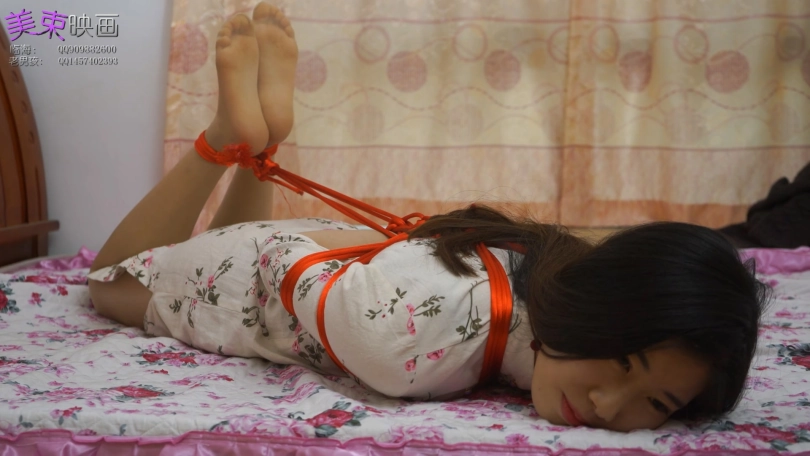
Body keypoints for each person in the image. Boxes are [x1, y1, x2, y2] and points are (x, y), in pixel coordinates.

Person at [87, 2, 770, 433]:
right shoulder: (409, 355)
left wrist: (355, 258)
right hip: (264, 273)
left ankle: (257, 149)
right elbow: (284, 266)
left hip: (315, 257)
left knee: (219, 250)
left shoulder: (536, 268)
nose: (608, 406)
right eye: (623, 361)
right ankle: (222, 140)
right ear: (603, 304)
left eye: (658, 406)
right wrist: (315, 264)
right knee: (108, 281)